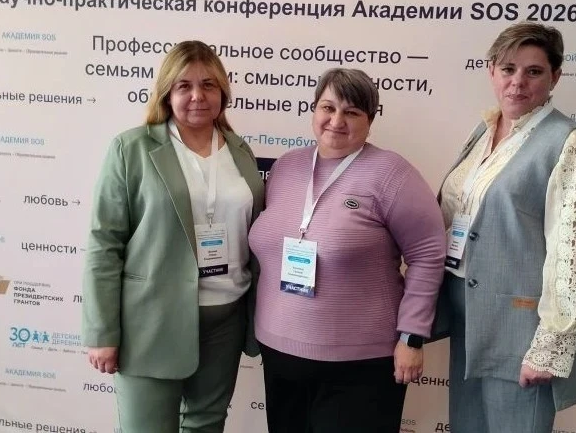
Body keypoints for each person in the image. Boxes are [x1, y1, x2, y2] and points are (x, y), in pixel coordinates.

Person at [434, 22, 576, 433]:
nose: (517, 82)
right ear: (491, 71)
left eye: (533, 71)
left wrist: (549, 347)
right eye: (508, 69)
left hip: (523, 330)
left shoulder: (573, 144)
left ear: (555, 77)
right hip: (468, 315)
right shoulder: (484, 131)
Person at [249, 68, 446, 433]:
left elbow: (427, 253)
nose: (336, 121)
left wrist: (411, 335)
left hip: (360, 366)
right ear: (314, 110)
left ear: (369, 120)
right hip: (280, 354)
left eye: (352, 112)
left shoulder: (392, 173)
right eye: (328, 107)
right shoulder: (286, 167)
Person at [82, 40, 265, 433]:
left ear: (223, 92)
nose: (198, 96)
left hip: (226, 318)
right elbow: (104, 244)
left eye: (208, 85)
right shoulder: (132, 148)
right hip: (151, 319)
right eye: (184, 86)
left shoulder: (240, 151)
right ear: (167, 93)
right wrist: (101, 332)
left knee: (207, 424)